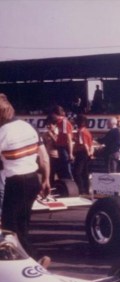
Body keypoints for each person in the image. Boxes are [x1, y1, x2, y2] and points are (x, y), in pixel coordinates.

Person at [0, 95, 51, 260]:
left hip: (16, 182)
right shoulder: (29, 127)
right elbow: (44, 157)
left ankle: (35, 258)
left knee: (10, 227)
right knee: (23, 224)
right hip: (33, 180)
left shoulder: (2, 133)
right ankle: (25, 260)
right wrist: (46, 179)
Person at [50, 105, 74, 180]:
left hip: (64, 147)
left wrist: (70, 153)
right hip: (60, 147)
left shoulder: (64, 123)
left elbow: (69, 139)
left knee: (66, 169)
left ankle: (71, 183)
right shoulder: (59, 123)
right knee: (63, 169)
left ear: (55, 114)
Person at [73, 114, 94, 195]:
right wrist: (90, 153)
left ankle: (80, 189)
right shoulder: (87, 131)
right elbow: (90, 144)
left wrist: (88, 153)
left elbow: (84, 144)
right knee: (85, 172)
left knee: (77, 172)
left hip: (82, 153)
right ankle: (86, 189)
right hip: (86, 153)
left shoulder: (81, 131)